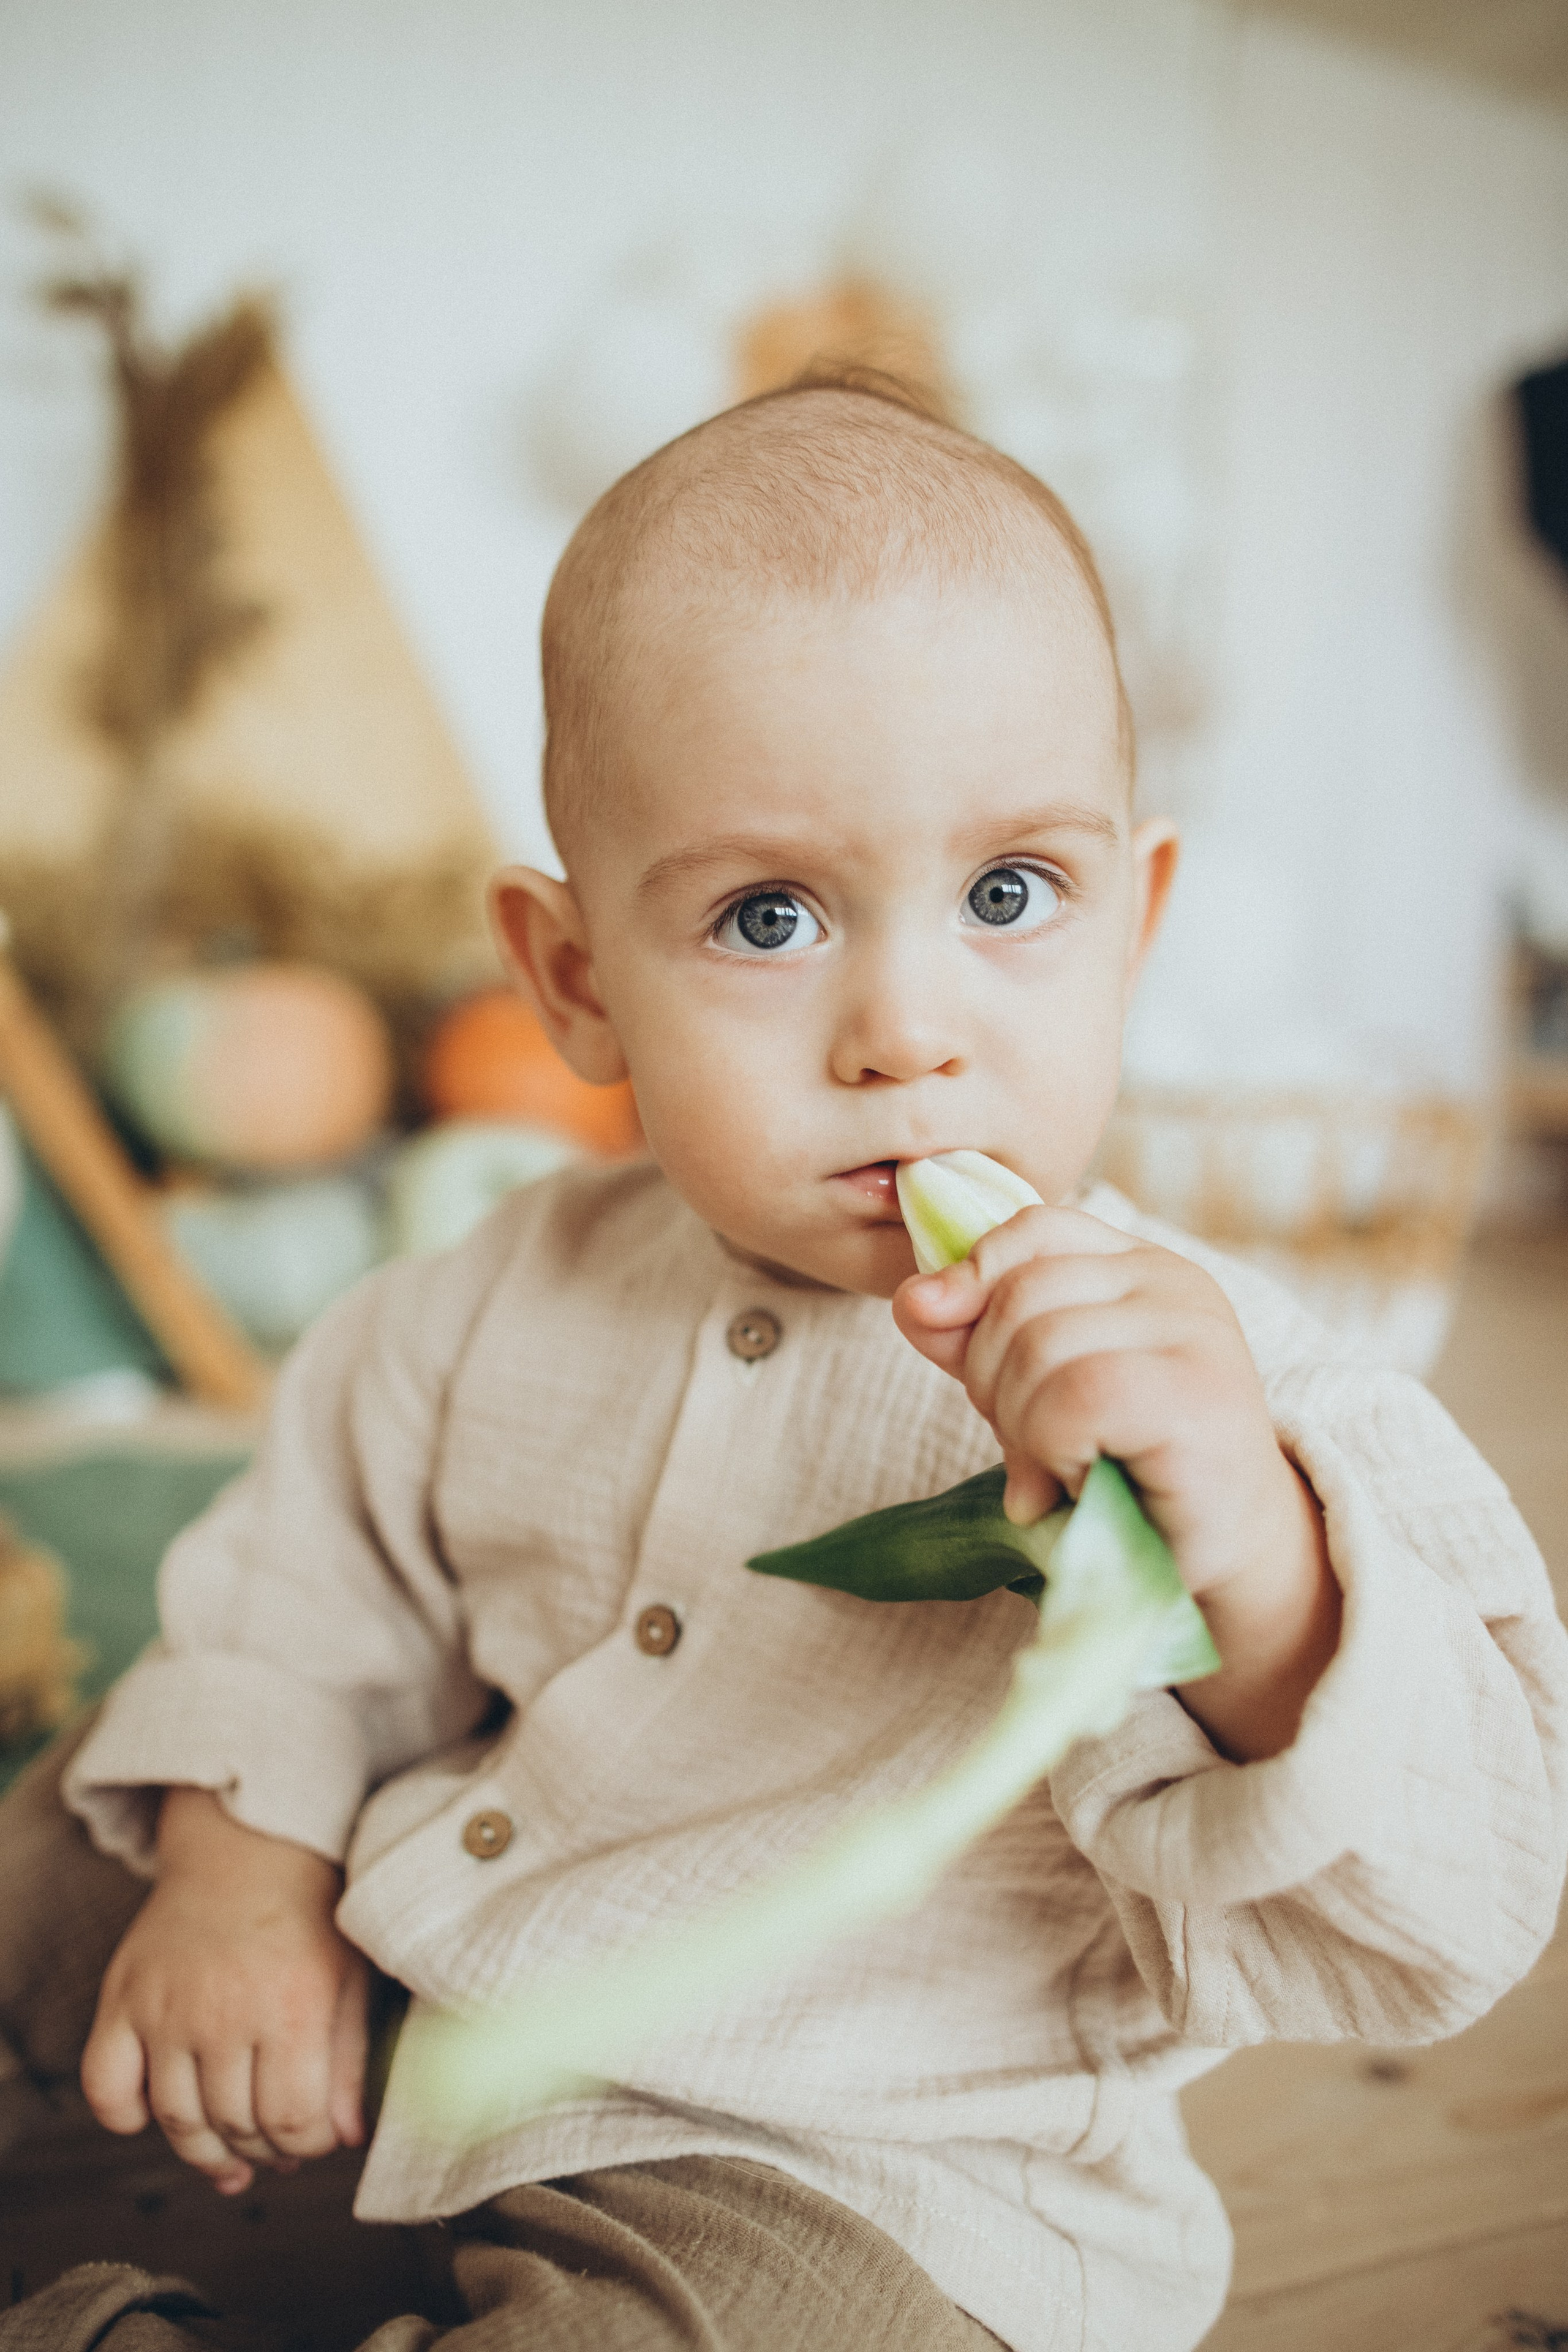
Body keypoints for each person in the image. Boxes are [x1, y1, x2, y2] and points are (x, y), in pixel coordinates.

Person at [2, 371, 1564, 2352]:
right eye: (768, 916)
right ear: (577, 982)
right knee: (82, 1830)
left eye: (1011, 896)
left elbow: (1463, 1900)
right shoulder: (498, 1289)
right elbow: (309, 1581)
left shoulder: (1237, 1388)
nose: (905, 1029)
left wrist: (1264, 1569)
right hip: (438, 2001)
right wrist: (241, 1874)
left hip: (869, 2170)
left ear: (1132, 920)